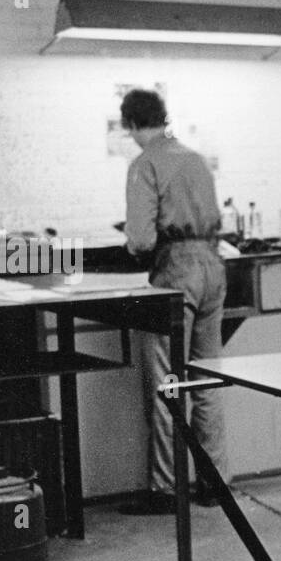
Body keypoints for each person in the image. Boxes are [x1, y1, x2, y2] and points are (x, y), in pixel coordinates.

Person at [117, 89, 229, 514]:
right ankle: (214, 484)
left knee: (168, 383)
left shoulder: (144, 164)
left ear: (130, 124)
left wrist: (132, 246)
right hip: (213, 266)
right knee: (206, 379)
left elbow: (142, 239)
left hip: (176, 271)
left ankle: (166, 489)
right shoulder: (196, 158)